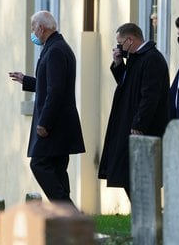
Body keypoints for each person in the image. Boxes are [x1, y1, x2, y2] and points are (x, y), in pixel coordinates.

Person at [9, 11, 85, 207]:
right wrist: (26, 80)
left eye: (33, 28)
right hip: (61, 123)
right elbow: (49, 84)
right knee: (57, 169)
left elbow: (56, 90)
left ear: (41, 28)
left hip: (55, 124)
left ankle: (69, 214)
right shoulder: (56, 47)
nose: (33, 33)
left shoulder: (55, 51)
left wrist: (44, 122)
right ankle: (67, 221)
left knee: (39, 164)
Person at [98, 23, 169, 198]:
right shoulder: (136, 58)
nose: (118, 47)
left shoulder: (152, 59)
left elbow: (150, 96)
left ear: (130, 40)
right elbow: (127, 86)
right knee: (126, 173)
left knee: (137, 174)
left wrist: (139, 123)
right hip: (128, 121)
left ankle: (147, 217)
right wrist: (118, 64)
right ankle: (141, 215)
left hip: (141, 126)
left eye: (120, 43)